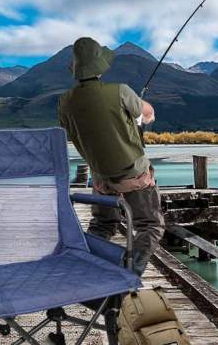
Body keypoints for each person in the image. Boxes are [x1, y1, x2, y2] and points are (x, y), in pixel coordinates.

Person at [58, 37, 165, 276]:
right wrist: (140, 106)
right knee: (151, 225)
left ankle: (91, 273)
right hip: (133, 175)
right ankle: (128, 275)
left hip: (101, 179)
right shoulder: (121, 91)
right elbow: (148, 113)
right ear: (100, 65)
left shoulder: (64, 102)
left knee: (103, 224)